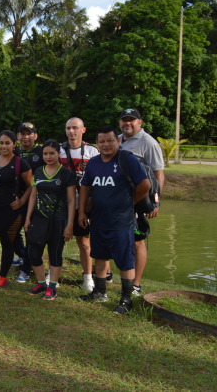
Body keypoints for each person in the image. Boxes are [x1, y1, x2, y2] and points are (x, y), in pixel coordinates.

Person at [78, 126, 150, 314]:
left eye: (110, 140)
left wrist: (130, 203)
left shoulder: (127, 159)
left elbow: (145, 184)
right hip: (99, 220)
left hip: (121, 222)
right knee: (100, 256)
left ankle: (126, 299)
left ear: (117, 141)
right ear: (97, 144)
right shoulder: (93, 163)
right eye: (101, 141)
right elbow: (85, 186)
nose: (106, 144)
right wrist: (81, 212)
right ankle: (100, 292)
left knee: (125, 260)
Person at [0, 130, 33, 288]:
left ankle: (3, 275)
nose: (3, 146)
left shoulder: (20, 163)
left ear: (14, 144)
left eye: (7, 143)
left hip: (11, 209)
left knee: (6, 242)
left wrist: (22, 201)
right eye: (1, 143)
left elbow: (31, 185)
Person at [118, 108, 164, 297]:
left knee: (138, 241)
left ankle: (136, 284)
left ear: (140, 122)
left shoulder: (149, 143)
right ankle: (111, 274)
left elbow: (158, 174)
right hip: (117, 198)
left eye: (131, 120)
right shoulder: (116, 139)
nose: (127, 123)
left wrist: (156, 202)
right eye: (124, 120)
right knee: (116, 237)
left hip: (139, 200)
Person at [23, 140, 76, 300]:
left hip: (59, 219)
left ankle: (52, 287)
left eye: (52, 153)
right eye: (45, 153)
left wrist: (70, 225)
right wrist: (27, 218)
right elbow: (33, 195)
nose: (48, 156)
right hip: (39, 218)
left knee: (55, 253)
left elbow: (72, 200)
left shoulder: (67, 174)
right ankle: (41, 283)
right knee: (33, 252)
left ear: (59, 154)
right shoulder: (38, 171)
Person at [60, 117, 102, 292]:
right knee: (56, 239)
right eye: (68, 128)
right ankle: (52, 271)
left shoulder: (92, 152)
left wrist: (90, 200)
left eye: (75, 128)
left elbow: (99, 179)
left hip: (84, 204)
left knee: (84, 242)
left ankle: (88, 278)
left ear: (83, 130)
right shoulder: (59, 150)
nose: (71, 131)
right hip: (62, 203)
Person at [14, 122, 45, 283]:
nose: (25, 137)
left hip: (33, 199)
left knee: (29, 234)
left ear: (35, 136)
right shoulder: (14, 150)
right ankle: (23, 255)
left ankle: (26, 270)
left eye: (29, 134)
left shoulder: (41, 152)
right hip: (13, 199)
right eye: (22, 133)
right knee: (10, 232)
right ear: (18, 136)